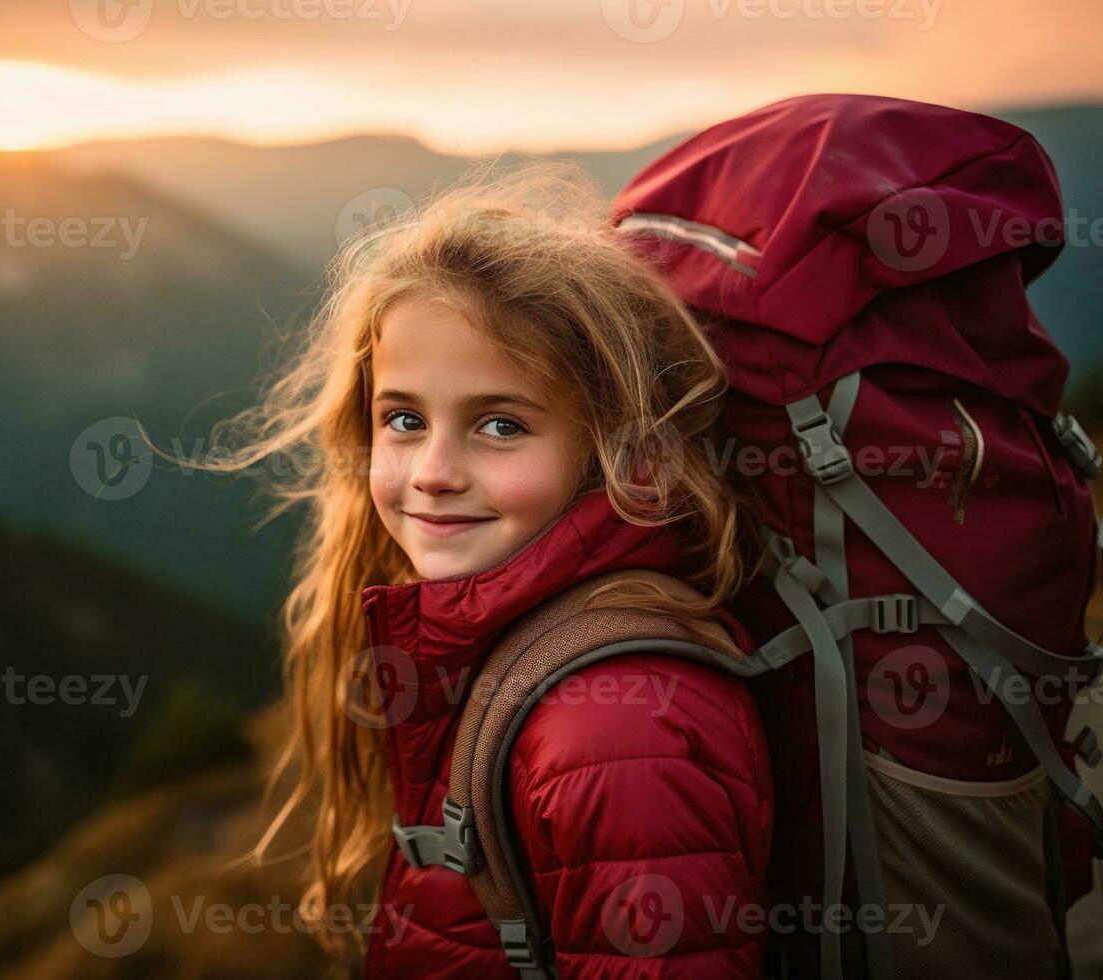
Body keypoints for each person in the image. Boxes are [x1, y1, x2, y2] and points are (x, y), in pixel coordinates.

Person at [205, 159, 773, 978]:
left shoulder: (613, 732)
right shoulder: (518, 649)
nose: (433, 470)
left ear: (613, 450)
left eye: (500, 426)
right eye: (403, 418)